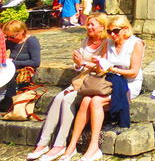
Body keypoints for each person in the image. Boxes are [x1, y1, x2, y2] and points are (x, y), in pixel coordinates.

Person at [59, 15, 145, 161]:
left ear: (125, 29)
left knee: (96, 101)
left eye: (116, 31)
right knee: (86, 99)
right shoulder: (109, 42)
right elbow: (101, 69)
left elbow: (133, 72)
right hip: (109, 80)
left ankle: (94, 146)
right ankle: (72, 145)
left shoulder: (136, 43)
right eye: (110, 31)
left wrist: (113, 69)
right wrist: (94, 64)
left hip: (128, 83)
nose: (112, 34)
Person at [27, 13, 108, 161]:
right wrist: (78, 63)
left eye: (92, 25)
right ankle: (43, 142)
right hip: (81, 79)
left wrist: (83, 63)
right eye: (88, 24)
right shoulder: (86, 41)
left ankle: (59, 144)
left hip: (94, 83)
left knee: (67, 100)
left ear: (102, 26)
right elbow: (79, 66)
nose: (89, 27)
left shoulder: (106, 43)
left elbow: (102, 68)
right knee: (57, 98)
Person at [0, 20, 42, 112]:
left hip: (24, 73)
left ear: (22, 31)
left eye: (12, 36)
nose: (10, 39)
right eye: (7, 37)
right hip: (12, 70)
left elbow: (36, 62)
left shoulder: (31, 41)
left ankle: (7, 104)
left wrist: (15, 62)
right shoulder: (11, 41)